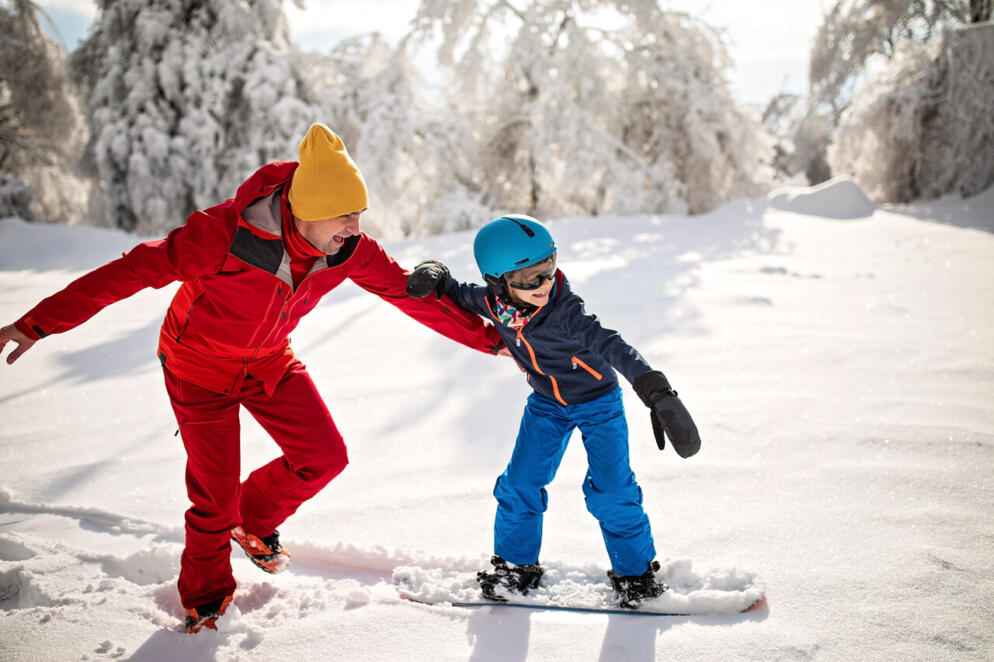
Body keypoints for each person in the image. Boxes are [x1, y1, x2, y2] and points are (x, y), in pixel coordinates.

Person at [0, 123, 504, 633]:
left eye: (359, 214)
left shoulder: (350, 250)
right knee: (212, 496)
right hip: (197, 370)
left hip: (268, 362)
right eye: (345, 214)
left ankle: (253, 520)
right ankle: (206, 601)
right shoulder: (222, 235)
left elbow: (408, 294)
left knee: (324, 456)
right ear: (307, 208)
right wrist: (38, 322)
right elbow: (128, 272)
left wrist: (496, 342)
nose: (355, 227)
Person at [405, 214, 701, 608]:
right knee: (519, 484)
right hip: (547, 405)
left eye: (548, 269)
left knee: (611, 490)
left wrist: (655, 388)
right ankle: (516, 566)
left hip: (599, 404)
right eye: (528, 279)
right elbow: (460, 294)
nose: (543, 285)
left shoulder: (566, 310)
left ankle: (636, 575)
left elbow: (612, 344)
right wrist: (437, 275)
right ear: (499, 282)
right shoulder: (495, 302)